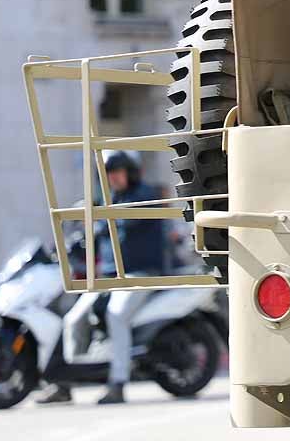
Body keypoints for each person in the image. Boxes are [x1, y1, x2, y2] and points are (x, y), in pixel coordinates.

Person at [36, 152, 166, 405]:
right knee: (73, 319)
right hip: (109, 277)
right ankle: (63, 382)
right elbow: (93, 223)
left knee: (117, 316)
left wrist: (98, 220)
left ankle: (118, 383)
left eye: (118, 172)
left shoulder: (143, 195)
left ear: (129, 172)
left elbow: (119, 220)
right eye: (108, 174)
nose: (114, 178)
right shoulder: (110, 198)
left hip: (137, 274)